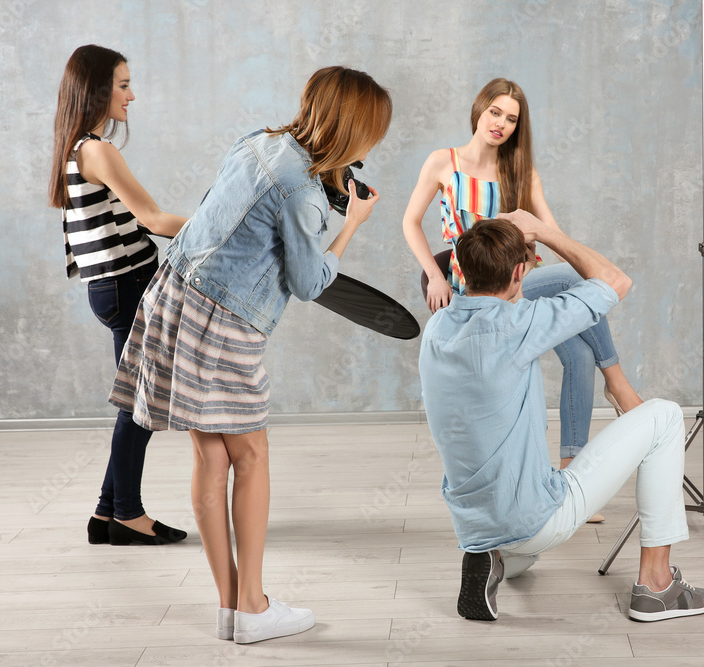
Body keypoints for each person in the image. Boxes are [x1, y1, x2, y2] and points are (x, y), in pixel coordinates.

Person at [107, 66, 390, 644]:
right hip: (223, 321)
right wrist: (352, 222)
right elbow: (310, 282)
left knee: (211, 459)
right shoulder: (305, 194)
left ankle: (231, 607)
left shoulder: (259, 143)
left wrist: (330, 193)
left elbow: (242, 220)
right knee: (251, 455)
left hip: (173, 293)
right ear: (357, 131)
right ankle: (254, 608)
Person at [418, 216, 704, 623]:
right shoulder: (518, 325)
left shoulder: (436, 328)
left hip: (474, 524)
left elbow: (503, 298)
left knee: (514, 532)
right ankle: (658, 586)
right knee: (664, 415)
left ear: (463, 271)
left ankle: (494, 555)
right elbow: (615, 280)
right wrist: (544, 232)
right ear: (519, 272)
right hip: (536, 518)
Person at [402, 78, 642, 522]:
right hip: (468, 290)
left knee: (579, 355)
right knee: (578, 277)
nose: (502, 124)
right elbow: (410, 222)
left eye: (512, 119)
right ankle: (619, 381)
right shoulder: (443, 162)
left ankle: (572, 470)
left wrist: (535, 248)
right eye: (496, 112)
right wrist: (434, 275)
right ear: (480, 110)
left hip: (514, 288)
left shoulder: (521, 174)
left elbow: (555, 236)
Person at [50, 44, 189, 547]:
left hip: (115, 288)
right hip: (127, 288)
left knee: (136, 400)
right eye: (124, 85)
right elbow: (152, 220)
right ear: (98, 90)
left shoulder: (75, 148)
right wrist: (223, 228)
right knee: (139, 405)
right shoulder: (96, 149)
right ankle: (128, 514)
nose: (133, 95)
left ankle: (107, 512)